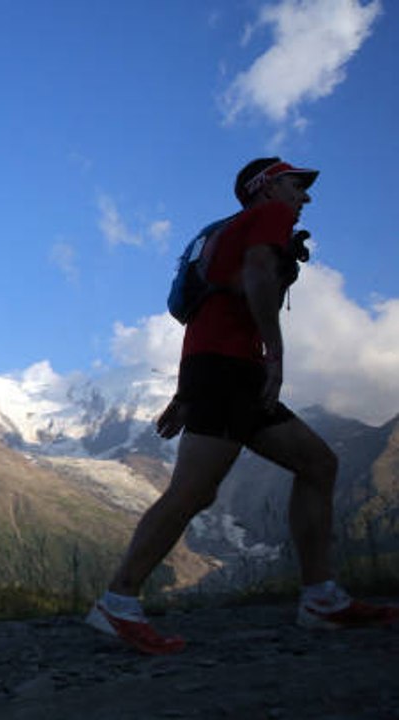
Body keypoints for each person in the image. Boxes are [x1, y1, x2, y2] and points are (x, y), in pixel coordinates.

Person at [86, 157, 399, 655]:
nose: (306, 197)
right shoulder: (267, 217)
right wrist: (275, 354)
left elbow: (212, 307)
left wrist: (190, 390)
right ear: (268, 186)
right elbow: (256, 273)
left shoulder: (225, 233)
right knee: (192, 492)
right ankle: (117, 602)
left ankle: (321, 597)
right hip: (231, 370)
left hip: (222, 370)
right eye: (298, 185)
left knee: (318, 462)